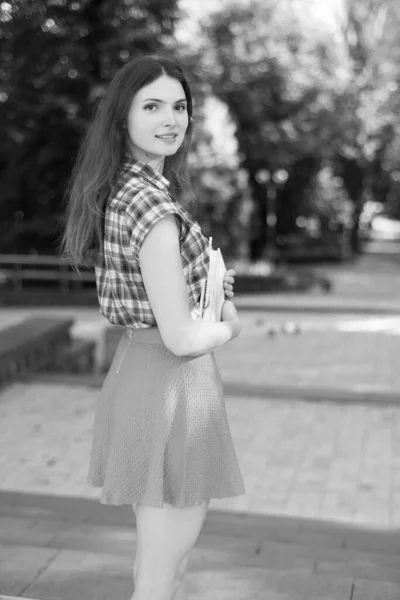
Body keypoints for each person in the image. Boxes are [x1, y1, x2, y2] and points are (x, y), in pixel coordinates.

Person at [61, 54, 245, 600]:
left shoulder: (125, 190)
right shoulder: (152, 206)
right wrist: (231, 324)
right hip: (170, 387)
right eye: (152, 106)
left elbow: (158, 302)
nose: (171, 119)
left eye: (180, 106)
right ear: (124, 119)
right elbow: (183, 338)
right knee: (163, 572)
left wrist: (205, 290)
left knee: (155, 565)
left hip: (145, 376)